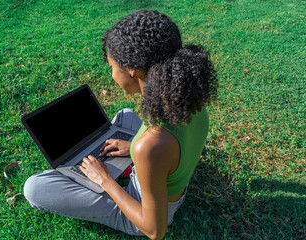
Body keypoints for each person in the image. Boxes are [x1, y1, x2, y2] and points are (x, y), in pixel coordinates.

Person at [24, 10, 217, 240]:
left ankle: (114, 173)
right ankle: (124, 164)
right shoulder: (187, 100)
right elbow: (171, 146)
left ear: (131, 70)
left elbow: (155, 231)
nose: (112, 75)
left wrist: (104, 179)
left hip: (145, 214)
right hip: (168, 179)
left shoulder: (149, 146)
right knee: (125, 115)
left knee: (34, 188)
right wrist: (132, 148)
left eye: (112, 67)